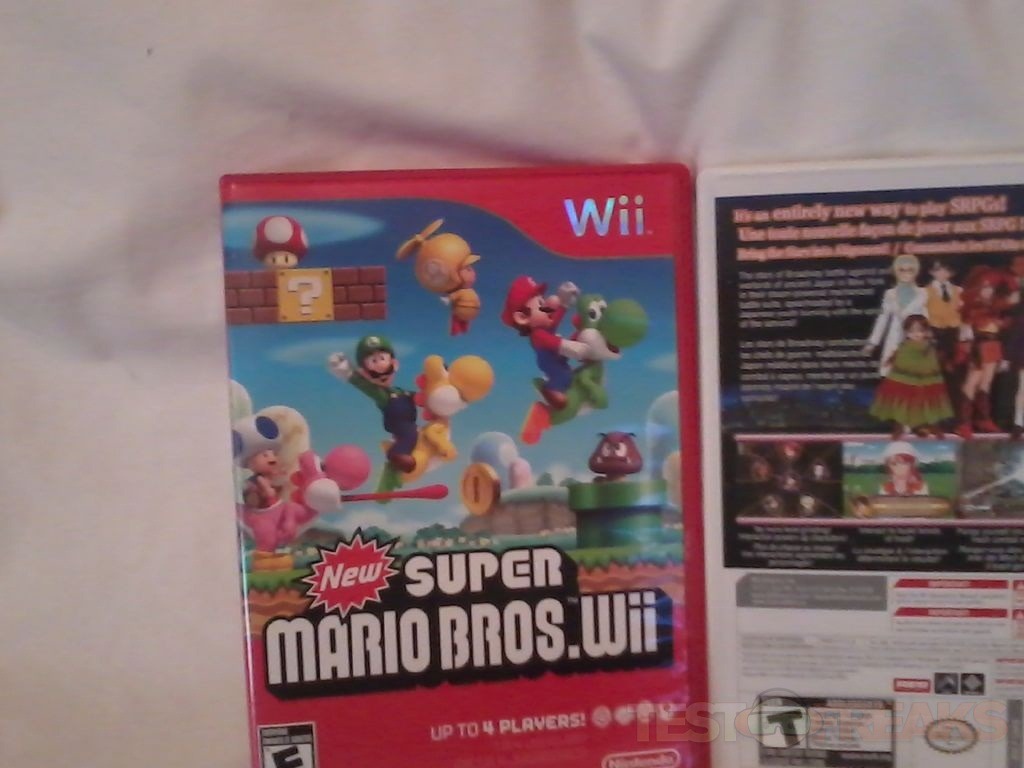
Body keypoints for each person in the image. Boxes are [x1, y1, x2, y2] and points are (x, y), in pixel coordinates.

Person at [328, 335, 419, 472]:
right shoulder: (383, 395)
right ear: (365, 373)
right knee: (410, 433)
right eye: (373, 362)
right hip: (402, 427)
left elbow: (418, 397)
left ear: (395, 364)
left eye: (382, 359)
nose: (381, 370)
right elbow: (364, 385)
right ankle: (397, 453)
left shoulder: (401, 391)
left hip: (412, 425)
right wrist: (346, 371)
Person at [501, 276, 588, 409]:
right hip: (549, 362)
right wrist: (572, 347)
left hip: (555, 356)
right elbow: (555, 343)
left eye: (542, 300)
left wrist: (564, 304)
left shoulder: (544, 329)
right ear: (523, 317)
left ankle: (564, 385)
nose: (548, 304)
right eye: (541, 305)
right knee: (562, 375)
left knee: (567, 371)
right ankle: (550, 390)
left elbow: (555, 321)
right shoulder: (537, 335)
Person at [955, 266, 1018, 437]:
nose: (988, 290)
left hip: (993, 344)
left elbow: (1010, 301)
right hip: (979, 344)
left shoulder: (994, 305)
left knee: (986, 382)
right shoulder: (974, 306)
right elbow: (967, 328)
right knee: (972, 381)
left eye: (991, 287)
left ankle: (982, 419)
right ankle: (963, 422)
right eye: (985, 287)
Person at [869, 314, 953, 438]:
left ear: (926, 332)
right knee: (902, 404)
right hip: (905, 381)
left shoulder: (929, 347)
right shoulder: (904, 347)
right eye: (912, 331)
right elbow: (900, 362)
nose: (916, 334)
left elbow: (933, 364)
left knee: (928, 404)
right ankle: (899, 428)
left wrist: (933, 369)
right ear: (906, 332)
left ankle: (930, 426)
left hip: (927, 381)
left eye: (920, 331)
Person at [864, 253, 929, 376]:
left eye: (910, 270)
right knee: (892, 371)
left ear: (916, 272)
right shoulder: (890, 294)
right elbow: (882, 320)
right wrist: (873, 342)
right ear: (896, 272)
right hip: (894, 338)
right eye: (902, 270)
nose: (906, 274)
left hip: (915, 337)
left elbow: (926, 317)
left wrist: (926, 337)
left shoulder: (923, 293)